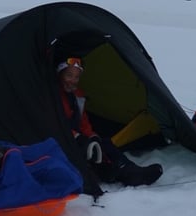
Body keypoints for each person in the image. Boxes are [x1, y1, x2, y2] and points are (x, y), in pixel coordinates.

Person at [56, 56, 163, 187]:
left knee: (103, 143)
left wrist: (92, 136)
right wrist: (78, 137)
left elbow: (83, 122)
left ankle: (128, 171)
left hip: (75, 137)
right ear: (60, 74)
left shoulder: (77, 95)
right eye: (69, 75)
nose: (73, 81)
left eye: (76, 77)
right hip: (60, 139)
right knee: (84, 148)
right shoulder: (52, 96)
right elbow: (54, 124)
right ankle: (109, 173)